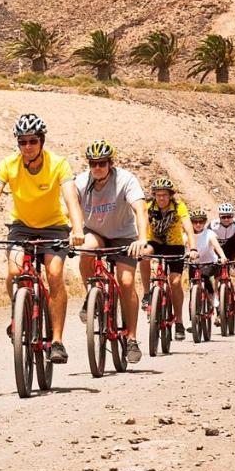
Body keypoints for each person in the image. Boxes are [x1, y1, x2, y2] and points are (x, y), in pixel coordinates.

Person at [0, 114, 85, 364]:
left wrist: (77, 229)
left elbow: (71, 200)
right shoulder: (8, 165)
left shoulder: (58, 164)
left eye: (32, 141)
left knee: (54, 275)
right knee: (13, 272)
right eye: (22, 142)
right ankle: (19, 315)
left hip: (54, 228)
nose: (27, 147)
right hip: (22, 228)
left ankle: (56, 341)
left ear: (41, 141)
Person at [73, 140, 148, 364]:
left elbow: (140, 210)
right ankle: (91, 295)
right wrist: (74, 231)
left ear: (110, 163)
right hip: (95, 231)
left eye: (102, 163)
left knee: (125, 282)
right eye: (93, 163)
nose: (97, 168)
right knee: (86, 248)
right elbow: (70, 206)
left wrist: (142, 239)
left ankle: (132, 338)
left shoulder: (126, 179)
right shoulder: (81, 182)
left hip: (123, 235)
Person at [139, 177, 195, 340]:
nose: (161, 198)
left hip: (174, 245)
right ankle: (147, 294)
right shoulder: (149, 207)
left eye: (164, 195)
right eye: (158, 195)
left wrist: (193, 249)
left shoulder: (179, 207)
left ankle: (178, 321)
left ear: (170, 195)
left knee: (175, 282)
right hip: (155, 242)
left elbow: (189, 229)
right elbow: (140, 226)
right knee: (143, 255)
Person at [188, 208, 229, 316]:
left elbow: (216, 246)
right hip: (194, 264)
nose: (198, 224)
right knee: (192, 290)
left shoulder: (209, 233)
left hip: (209, 263)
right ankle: (193, 319)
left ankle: (215, 304)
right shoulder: (187, 235)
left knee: (206, 280)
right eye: (195, 222)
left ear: (205, 222)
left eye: (200, 221)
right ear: (191, 222)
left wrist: (223, 256)